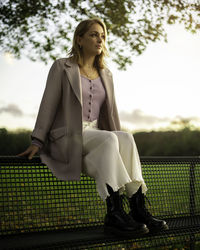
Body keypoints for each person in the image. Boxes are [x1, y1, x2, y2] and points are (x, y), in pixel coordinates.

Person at [17, 18, 168, 237]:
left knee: (124, 137)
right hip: (67, 135)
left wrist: (119, 142)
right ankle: (114, 212)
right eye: (94, 35)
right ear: (79, 39)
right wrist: (37, 141)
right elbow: (48, 104)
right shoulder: (62, 66)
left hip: (95, 134)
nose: (100, 40)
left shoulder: (106, 74)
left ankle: (137, 210)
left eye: (103, 36)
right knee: (110, 140)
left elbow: (112, 113)